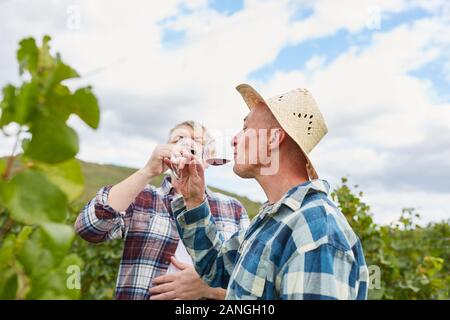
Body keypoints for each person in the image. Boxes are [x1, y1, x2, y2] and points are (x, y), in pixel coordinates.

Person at [166, 84, 369, 300]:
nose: (235, 138)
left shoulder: (316, 232)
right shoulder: (272, 221)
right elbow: (216, 269)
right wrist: (194, 200)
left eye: (246, 128)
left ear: (273, 139)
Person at [75, 120, 249, 300]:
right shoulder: (141, 196)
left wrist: (208, 288)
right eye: (179, 139)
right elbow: (88, 229)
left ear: (209, 158)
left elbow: (250, 283)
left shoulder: (233, 208)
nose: (187, 144)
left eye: (198, 141)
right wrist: (148, 171)